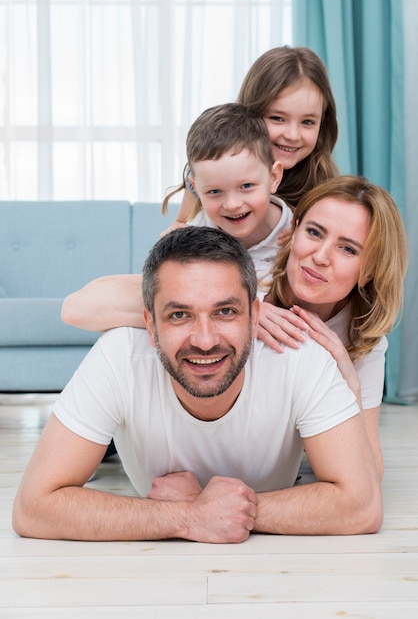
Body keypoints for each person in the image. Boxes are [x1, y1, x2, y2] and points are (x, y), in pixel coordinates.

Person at [13, 226, 382, 543]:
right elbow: (34, 507)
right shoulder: (118, 355)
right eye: (179, 315)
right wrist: (189, 517)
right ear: (150, 325)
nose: (205, 340)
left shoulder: (300, 358)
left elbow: (362, 505)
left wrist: (226, 508)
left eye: (225, 312)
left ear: (256, 316)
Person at [61, 102, 293, 331]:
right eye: (214, 192)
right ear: (196, 188)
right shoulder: (194, 235)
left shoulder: (298, 237)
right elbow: (75, 311)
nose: (232, 205)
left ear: (274, 177)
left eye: (246, 186)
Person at [258, 175, 409, 479]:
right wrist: (240, 312)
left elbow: (369, 474)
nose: (320, 257)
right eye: (314, 232)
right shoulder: (247, 280)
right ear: (294, 230)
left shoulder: (362, 338)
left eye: (348, 249)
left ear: (369, 272)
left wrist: (349, 383)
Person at [162, 45, 339, 225]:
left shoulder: (322, 186)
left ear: (322, 124)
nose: (293, 135)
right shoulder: (214, 170)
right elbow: (181, 226)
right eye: (277, 118)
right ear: (250, 115)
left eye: (307, 122)